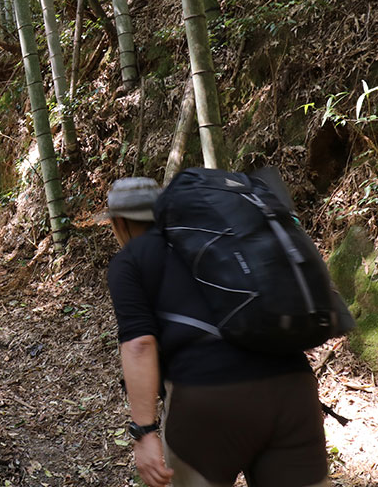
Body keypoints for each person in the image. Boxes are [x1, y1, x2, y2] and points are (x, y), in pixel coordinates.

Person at [104, 177, 329, 487]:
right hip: (293, 390)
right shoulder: (221, 240)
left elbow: (140, 344)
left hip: (207, 402)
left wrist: (144, 432)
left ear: (118, 223)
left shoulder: (130, 261)